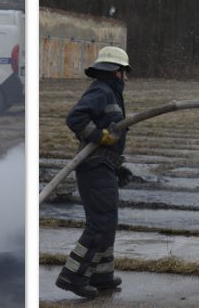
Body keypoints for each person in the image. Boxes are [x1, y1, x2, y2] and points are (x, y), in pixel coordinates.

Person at [55, 46, 134, 298]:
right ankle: (73, 276)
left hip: (104, 165)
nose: (126, 77)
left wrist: (117, 164)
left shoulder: (110, 92)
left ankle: (102, 276)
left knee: (108, 221)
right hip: (95, 167)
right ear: (117, 71)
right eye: (125, 72)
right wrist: (101, 136)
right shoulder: (101, 91)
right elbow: (75, 118)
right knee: (100, 223)